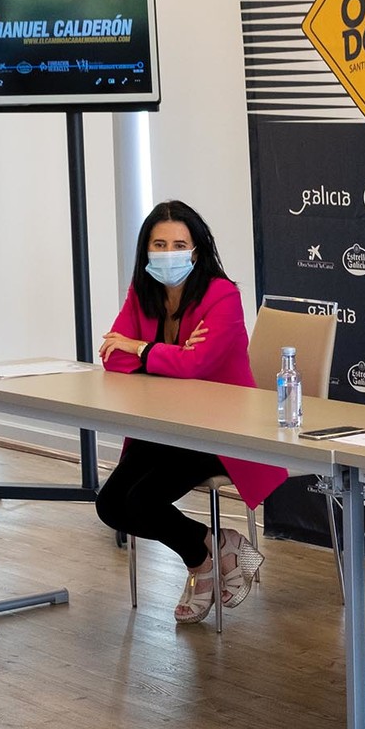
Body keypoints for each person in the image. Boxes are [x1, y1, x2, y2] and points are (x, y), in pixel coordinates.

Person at [96, 200, 285, 624]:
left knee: (141, 501)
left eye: (179, 245)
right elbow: (113, 357)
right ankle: (219, 546)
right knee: (110, 506)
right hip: (166, 425)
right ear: (146, 250)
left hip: (221, 431)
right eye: (159, 244)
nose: (169, 253)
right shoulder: (142, 294)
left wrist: (142, 348)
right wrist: (171, 353)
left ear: (196, 250)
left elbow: (194, 366)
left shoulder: (222, 296)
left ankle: (200, 564)